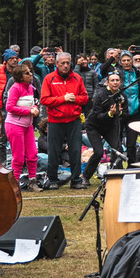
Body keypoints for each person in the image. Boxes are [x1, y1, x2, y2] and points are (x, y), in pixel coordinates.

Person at [39, 52, 90, 189]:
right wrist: (63, 99)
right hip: (55, 120)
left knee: (75, 150)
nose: (66, 65)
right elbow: (44, 100)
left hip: (74, 120)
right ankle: (53, 180)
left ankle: (76, 180)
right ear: (57, 64)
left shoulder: (77, 78)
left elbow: (85, 98)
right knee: (54, 151)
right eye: (63, 63)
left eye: (68, 63)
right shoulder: (49, 79)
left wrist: (75, 99)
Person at [4, 61, 42, 192]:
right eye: (27, 73)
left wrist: (35, 107)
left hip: (28, 126)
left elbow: (33, 102)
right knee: (19, 158)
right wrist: (29, 111)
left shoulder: (30, 87)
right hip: (15, 125)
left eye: (30, 72)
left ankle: (32, 182)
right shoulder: (15, 88)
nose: (31, 74)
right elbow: (9, 107)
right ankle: (14, 185)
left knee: (32, 155)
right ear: (20, 77)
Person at [83, 71, 127, 183]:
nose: (115, 82)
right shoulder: (100, 95)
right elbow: (97, 115)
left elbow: (125, 114)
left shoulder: (122, 96)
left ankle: (118, 175)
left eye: (117, 80)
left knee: (117, 149)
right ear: (107, 82)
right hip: (94, 125)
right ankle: (85, 176)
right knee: (98, 152)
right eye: (112, 80)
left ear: (120, 82)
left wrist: (119, 113)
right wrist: (110, 114)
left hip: (110, 126)